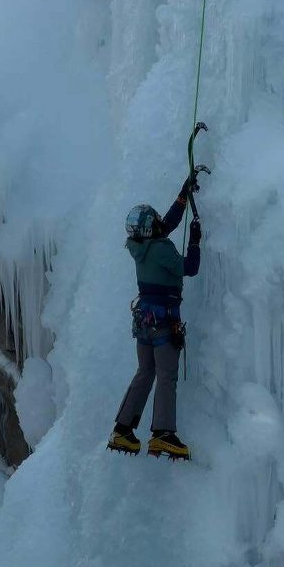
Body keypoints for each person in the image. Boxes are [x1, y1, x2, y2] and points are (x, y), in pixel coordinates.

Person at [108, 175, 202, 460]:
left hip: (144, 324)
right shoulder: (161, 248)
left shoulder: (140, 246)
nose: (161, 222)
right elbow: (190, 267)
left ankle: (122, 429)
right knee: (166, 375)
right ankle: (163, 434)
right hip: (164, 323)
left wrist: (182, 194)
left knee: (145, 372)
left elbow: (167, 226)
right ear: (151, 228)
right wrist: (196, 241)